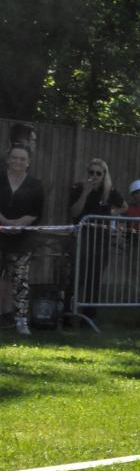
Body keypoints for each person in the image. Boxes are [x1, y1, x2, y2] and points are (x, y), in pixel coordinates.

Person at [69, 158, 126, 323]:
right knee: (76, 277)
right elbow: (74, 212)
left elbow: (124, 206)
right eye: (91, 172)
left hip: (101, 240)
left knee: (94, 278)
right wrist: (85, 193)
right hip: (82, 238)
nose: (94, 176)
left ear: (104, 175)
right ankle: (69, 315)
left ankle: (89, 317)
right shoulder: (78, 188)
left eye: (98, 173)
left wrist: (108, 216)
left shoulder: (109, 191)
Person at [0, 132, 44, 336]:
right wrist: (5, 222)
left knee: (20, 281)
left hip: (22, 240)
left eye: (22, 159)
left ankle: (21, 320)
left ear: (28, 163)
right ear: (8, 159)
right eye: (15, 158)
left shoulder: (35, 184)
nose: (18, 162)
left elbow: (36, 212)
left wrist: (17, 225)